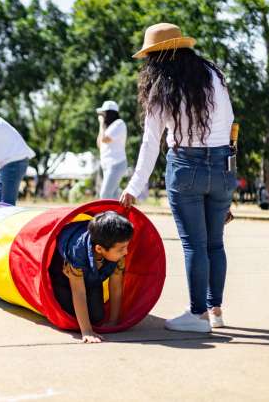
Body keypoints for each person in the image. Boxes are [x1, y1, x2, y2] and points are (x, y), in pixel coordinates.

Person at [119, 23, 235, 333]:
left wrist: (134, 186)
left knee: (194, 246)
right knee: (215, 244)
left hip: (186, 165)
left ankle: (197, 315)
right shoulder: (214, 76)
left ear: (157, 57)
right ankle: (216, 310)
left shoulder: (162, 88)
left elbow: (150, 141)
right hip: (223, 165)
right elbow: (230, 123)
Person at [51, 211, 133, 343]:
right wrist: (87, 331)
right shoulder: (77, 251)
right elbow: (78, 292)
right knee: (69, 314)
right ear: (99, 249)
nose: (126, 252)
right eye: (121, 249)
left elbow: (116, 286)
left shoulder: (117, 253)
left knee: (97, 317)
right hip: (63, 276)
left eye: (126, 246)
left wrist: (113, 321)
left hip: (93, 277)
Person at [96, 101, 128, 199]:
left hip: (115, 165)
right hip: (107, 165)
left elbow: (104, 139)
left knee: (105, 194)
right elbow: (99, 144)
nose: (102, 116)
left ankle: (107, 214)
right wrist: (101, 126)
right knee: (113, 196)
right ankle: (117, 214)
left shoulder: (119, 123)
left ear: (109, 113)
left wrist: (101, 123)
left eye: (103, 113)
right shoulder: (108, 128)